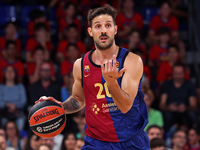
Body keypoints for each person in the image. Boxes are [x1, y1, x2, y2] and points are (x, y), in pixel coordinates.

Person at [37, 4, 150, 149]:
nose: (103, 30)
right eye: (98, 26)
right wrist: (60, 107)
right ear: (90, 31)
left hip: (131, 141)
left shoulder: (131, 61)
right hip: (97, 142)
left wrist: (111, 82)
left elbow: (125, 106)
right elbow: (79, 99)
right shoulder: (80, 64)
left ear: (115, 29)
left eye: (108, 25)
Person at [159, 63, 197, 131]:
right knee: (166, 115)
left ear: (184, 73)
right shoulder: (166, 84)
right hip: (170, 111)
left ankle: (194, 134)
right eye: (176, 73)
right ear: (172, 73)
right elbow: (162, 104)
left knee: (192, 115)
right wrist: (169, 108)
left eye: (180, 73)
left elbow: (193, 106)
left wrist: (185, 108)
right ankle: (166, 136)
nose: (178, 76)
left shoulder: (190, 85)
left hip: (185, 110)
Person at [0, 66, 27, 131]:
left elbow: (23, 101)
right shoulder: (1, 87)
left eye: (12, 71)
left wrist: (15, 106)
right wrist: (7, 105)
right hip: (4, 113)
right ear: (4, 73)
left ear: (15, 74)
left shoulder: (20, 86)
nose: (10, 73)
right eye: (8, 71)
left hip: (18, 113)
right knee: (4, 125)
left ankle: (21, 140)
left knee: (21, 123)